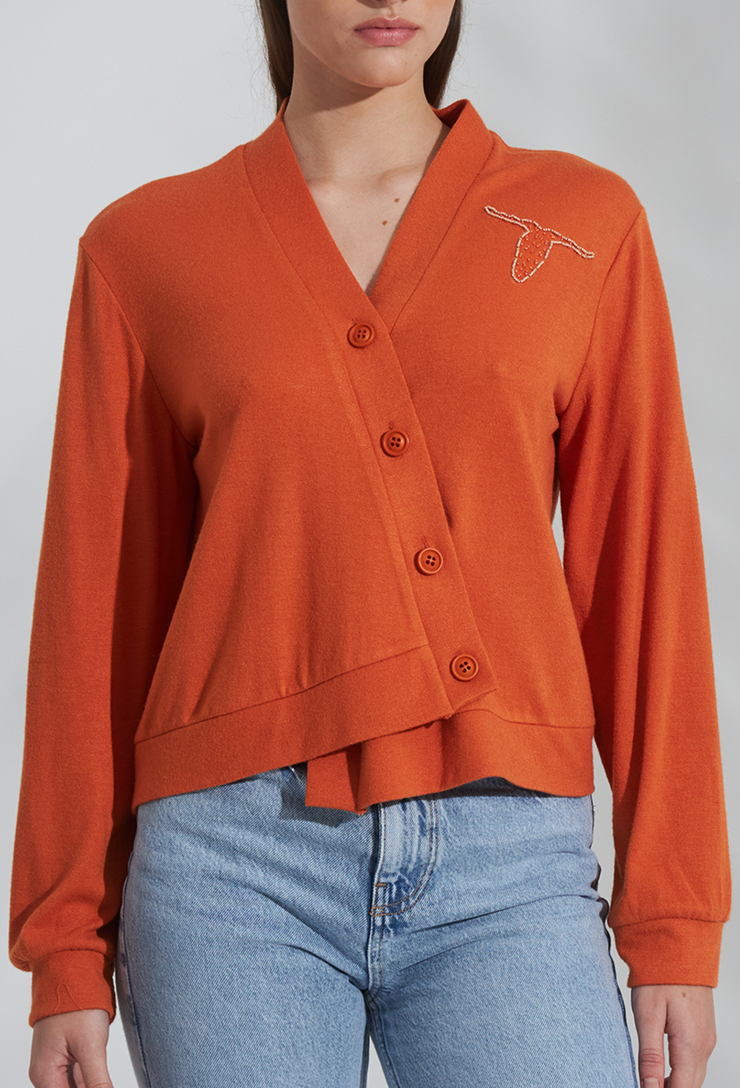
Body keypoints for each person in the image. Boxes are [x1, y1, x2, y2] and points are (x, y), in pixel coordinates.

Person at [9, 1, 731, 1086]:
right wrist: (65, 945)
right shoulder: (144, 249)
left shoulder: (582, 223)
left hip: (511, 860)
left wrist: (673, 918)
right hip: (228, 867)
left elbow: (644, 577)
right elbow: (94, 612)